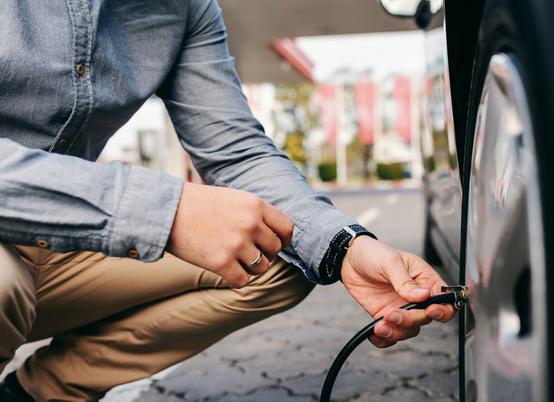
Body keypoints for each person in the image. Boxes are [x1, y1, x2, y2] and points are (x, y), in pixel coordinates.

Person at [0, 1, 456, 400]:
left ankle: (40, 393)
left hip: (61, 248)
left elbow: (237, 151)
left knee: (278, 249)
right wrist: (166, 211)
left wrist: (346, 248)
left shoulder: (183, 8)